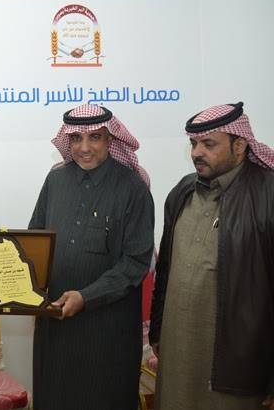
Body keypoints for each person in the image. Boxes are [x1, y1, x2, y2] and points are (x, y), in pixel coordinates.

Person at [28, 104, 154, 410]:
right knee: (54, 397)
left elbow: (135, 263)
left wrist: (86, 297)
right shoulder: (55, 180)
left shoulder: (133, 187)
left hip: (107, 329)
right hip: (56, 324)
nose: (84, 148)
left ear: (111, 139)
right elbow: (35, 240)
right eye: (76, 138)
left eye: (94, 137)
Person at [150, 102, 274, 410]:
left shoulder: (268, 194)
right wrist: (157, 331)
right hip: (178, 352)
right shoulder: (182, 192)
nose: (197, 152)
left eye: (208, 144)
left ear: (239, 145)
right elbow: (164, 272)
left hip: (240, 363)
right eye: (194, 144)